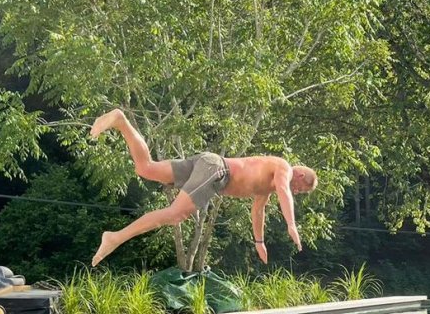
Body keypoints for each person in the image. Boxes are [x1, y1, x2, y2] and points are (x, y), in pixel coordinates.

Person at [87, 108, 317, 267]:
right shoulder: (284, 168)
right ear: (300, 175)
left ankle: (121, 121)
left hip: (209, 163)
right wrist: (291, 224)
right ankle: (115, 238)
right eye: (300, 188)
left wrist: (259, 242)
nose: (296, 191)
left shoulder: (267, 186)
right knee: (176, 214)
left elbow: (258, 211)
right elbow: (285, 192)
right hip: (217, 171)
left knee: (146, 168)